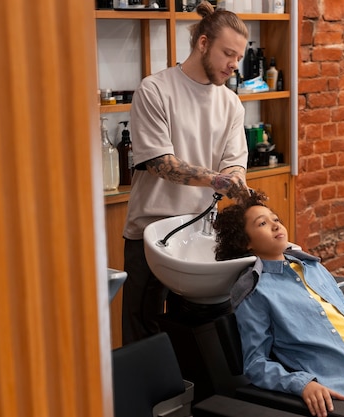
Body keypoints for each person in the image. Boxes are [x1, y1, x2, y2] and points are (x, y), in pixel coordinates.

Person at [213, 191, 344, 417]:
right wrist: (302, 383)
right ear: (245, 242)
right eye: (262, 223)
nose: (275, 226)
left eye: (275, 219)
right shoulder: (256, 292)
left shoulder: (313, 268)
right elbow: (255, 363)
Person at [121, 1, 251, 345]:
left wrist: (235, 177)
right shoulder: (156, 90)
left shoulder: (231, 104)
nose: (233, 65)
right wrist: (219, 180)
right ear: (203, 43)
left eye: (239, 57)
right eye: (228, 54)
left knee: (197, 335)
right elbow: (161, 163)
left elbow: (234, 160)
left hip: (200, 235)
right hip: (149, 233)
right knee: (143, 337)